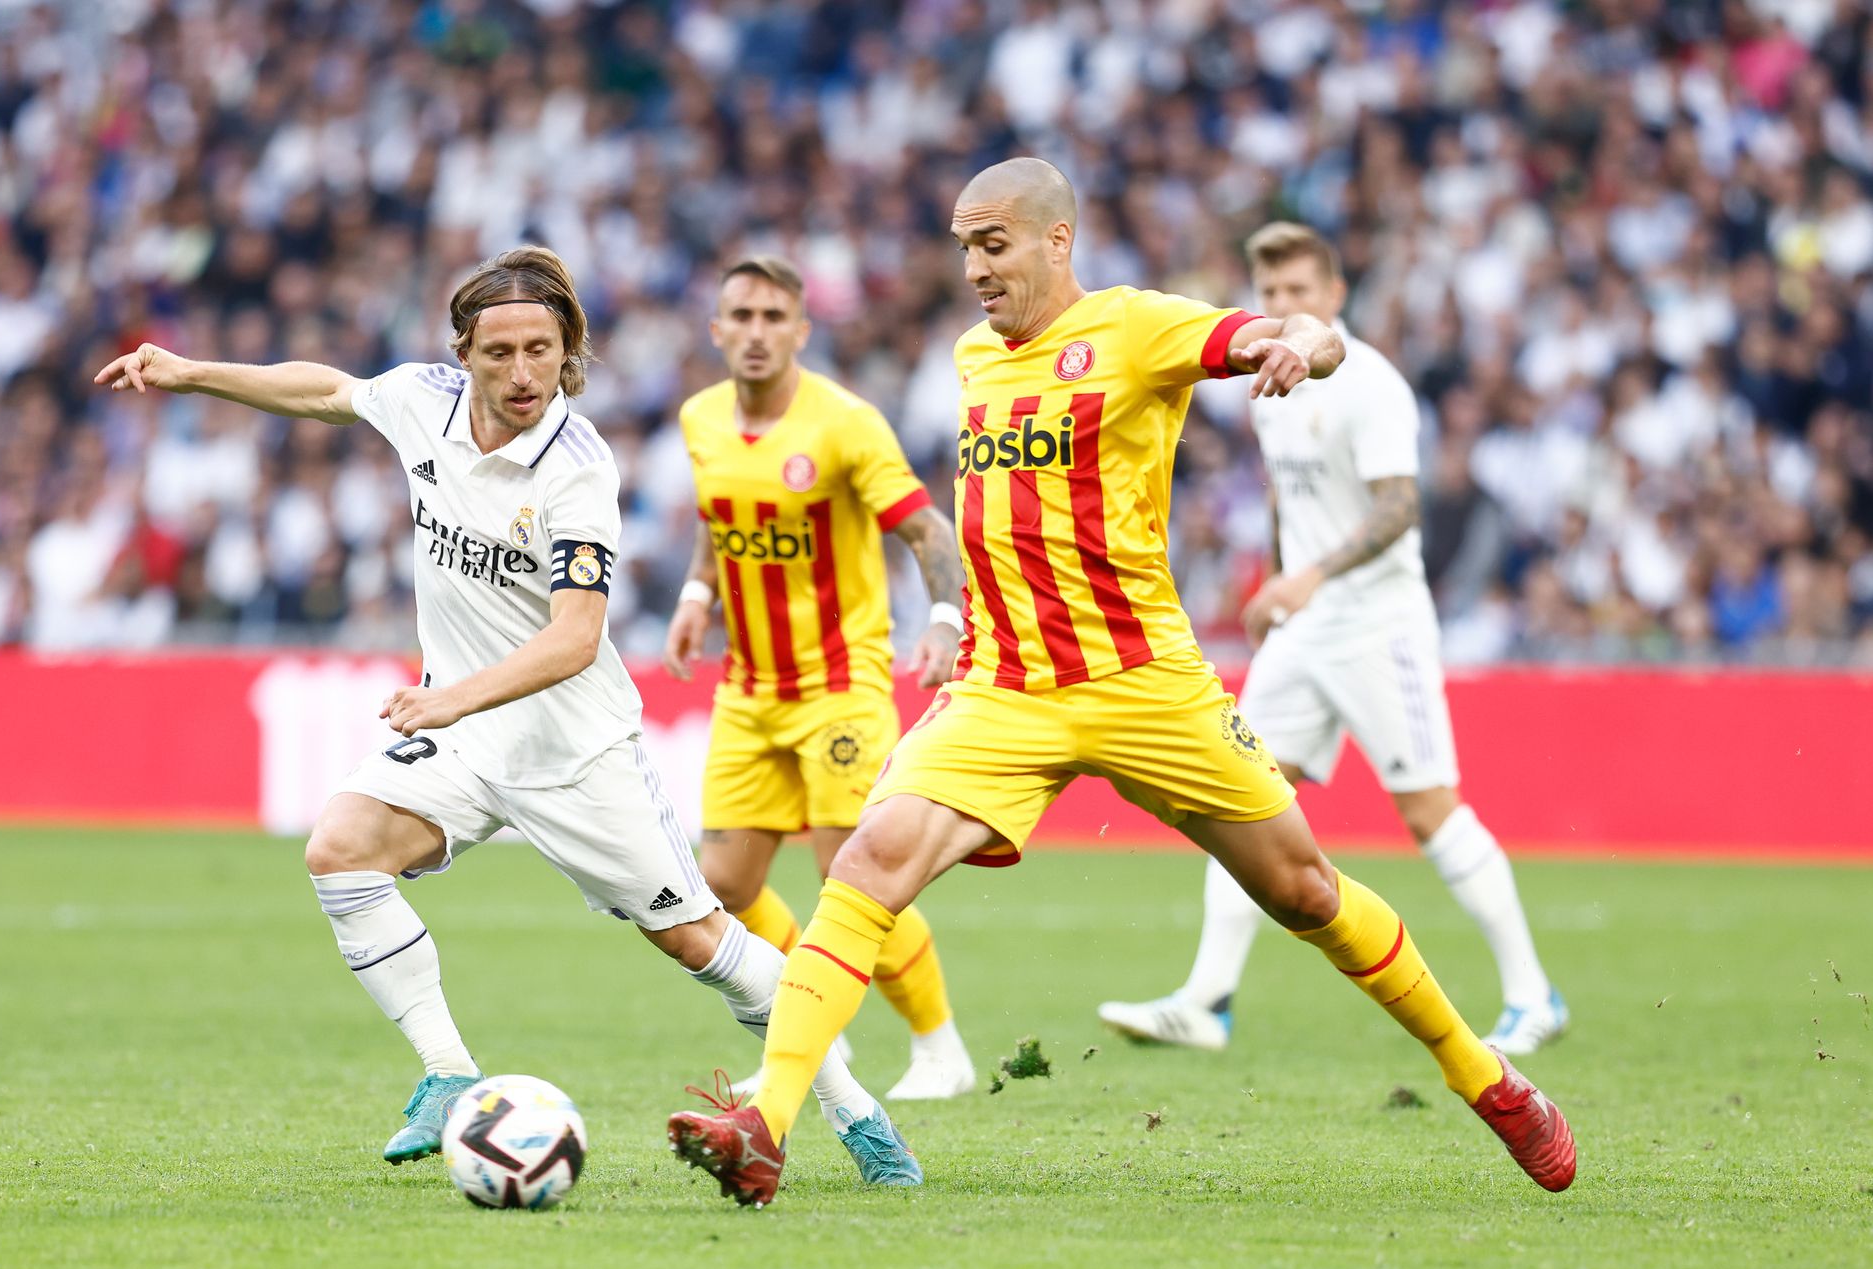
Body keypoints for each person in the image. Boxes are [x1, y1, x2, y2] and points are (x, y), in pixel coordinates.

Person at [667, 160, 1575, 1207]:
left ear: (1057, 241)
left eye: (993, 243)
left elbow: (1272, 339)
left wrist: (1305, 343)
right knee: (866, 863)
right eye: (963, 245)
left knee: (1303, 891)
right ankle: (766, 1123)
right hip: (1003, 687)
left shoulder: (1136, 326)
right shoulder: (971, 356)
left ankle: (1486, 1077)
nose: (972, 267)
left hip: (1142, 678)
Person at [94, 246, 922, 1187]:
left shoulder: (576, 468)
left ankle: (857, 1116)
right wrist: (192, 372)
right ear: (465, 354)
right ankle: (449, 1075)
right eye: (501, 353)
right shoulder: (422, 401)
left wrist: (449, 696)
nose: (524, 373)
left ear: (567, 351)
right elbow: (325, 389)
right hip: (462, 737)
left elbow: (575, 639)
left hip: (572, 751)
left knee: (703, 944)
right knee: (340, 851)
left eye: (543, 349)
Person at [1099, 223, 1568, 1056]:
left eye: (1297, 293)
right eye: (1269, 294)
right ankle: (1206, 999)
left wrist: (1308, 577)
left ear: (1334, 296)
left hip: (1377, 626)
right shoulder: (1268, 378)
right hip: (1305, 630)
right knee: (1242, 798)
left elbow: (1399, 506)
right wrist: (1283, 581)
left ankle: (1534, 995)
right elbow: (1287, 496)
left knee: (1429, 813)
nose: (1282, 308)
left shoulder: (1371, 386)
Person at [663, 257, 976, 1100]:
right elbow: (716, 515)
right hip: (749, 690)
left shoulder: (844, 424)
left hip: (840, 684)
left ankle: (937, 1046)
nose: (757, 332)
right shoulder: (700, 419)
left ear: (800, 332)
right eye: (742, 315)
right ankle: (813, 988)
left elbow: (925, 531)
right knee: (721, 888)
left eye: (775, 317)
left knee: (855, 879)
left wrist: (946, 620)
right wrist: (697, 593)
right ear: (717, 330)